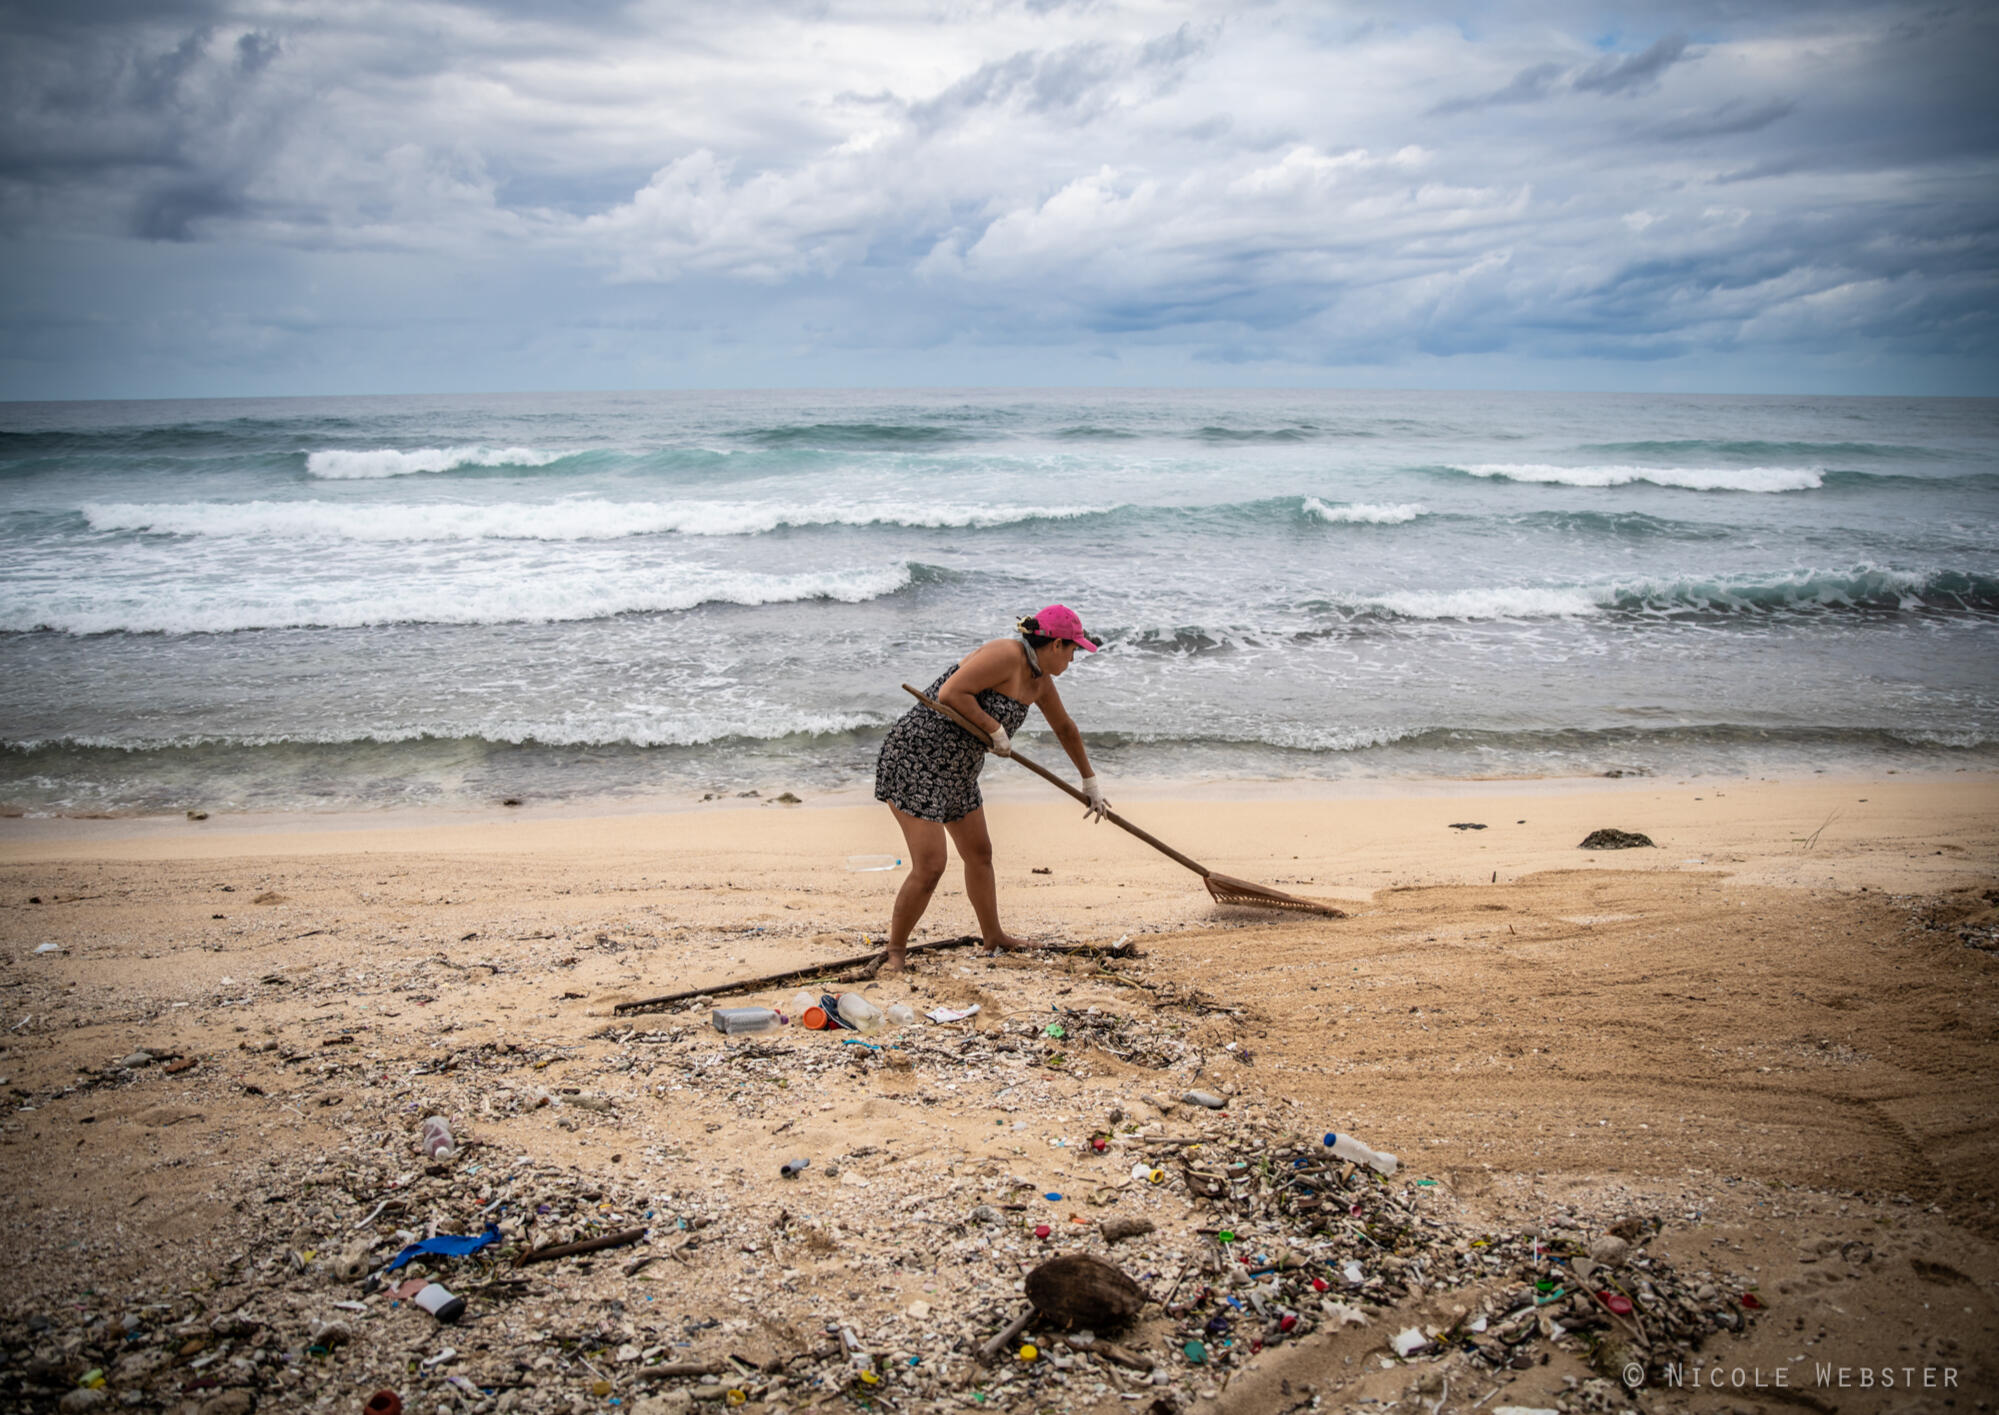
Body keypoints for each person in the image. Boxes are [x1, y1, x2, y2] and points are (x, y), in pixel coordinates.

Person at [872, 604, 1110, 973]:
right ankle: (895, 952)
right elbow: (952, 693)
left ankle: (993, 936)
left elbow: (1065, 728)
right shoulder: (1006, 654)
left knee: (980, 853)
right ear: (1056, 644)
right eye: (1074, 650)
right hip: (917, 759)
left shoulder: (1040, 680)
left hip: (959, 768)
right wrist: (995, 729)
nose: (1074, 659)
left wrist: (1090, 781)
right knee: (932, 865)